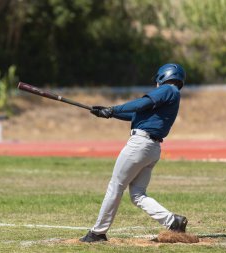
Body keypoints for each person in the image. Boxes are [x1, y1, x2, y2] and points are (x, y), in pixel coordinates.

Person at [80, 63, 188, 243]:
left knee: (116, 186)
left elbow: (141, 103)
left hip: (139, 145)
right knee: (138, 194)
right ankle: (173, 221)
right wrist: (107, 113)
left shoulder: (168, 89)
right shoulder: (173, 95)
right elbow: (136, 115)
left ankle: (98, 232)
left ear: (163, 77)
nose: (156, 86)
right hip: (151, 148)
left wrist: (113, 109)